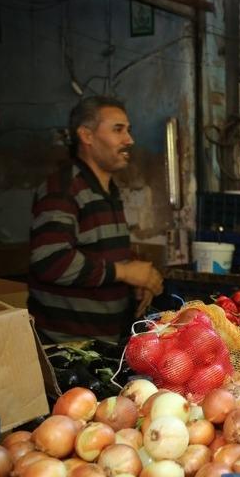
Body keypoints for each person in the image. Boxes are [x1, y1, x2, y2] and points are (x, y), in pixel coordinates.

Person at [29, 96, 163, 344]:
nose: (129, 140)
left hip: (104, 342)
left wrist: (137, 281)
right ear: (86, 135)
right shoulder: (63, 188)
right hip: (67, 348)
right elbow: (50, 260)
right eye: (118, 130)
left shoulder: (109, 191)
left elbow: (100, 253)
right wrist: (125, 272)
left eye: (129, 130)